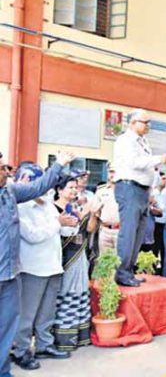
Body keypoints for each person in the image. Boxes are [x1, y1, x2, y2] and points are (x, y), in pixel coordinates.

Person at [0, 151, 74, 377]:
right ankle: (20, 353)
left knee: (7, 325)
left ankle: (3, 370)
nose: (7, 172)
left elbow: (39, 186)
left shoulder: (10, 193)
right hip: (27, 269)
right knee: (22, 318)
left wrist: (59, 164)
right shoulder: (19, 202)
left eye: (7, 168)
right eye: (3, 169)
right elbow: (32, 235)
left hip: (9, 273)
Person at [113, 109, 166, 287]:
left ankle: (129, 270)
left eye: (149, 122)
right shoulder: (125, 141)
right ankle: (122, 272)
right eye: (144, 122)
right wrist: (158, 159)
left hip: (142, 190)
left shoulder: (143, 142)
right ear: (133, 122)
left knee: (139, 234)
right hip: (129, 187)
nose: (148, 126)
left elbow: (147, 168)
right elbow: (134, 163)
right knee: (129, 232)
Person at [52, 177, 100, 352]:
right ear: (59, 190)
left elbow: (89, 230)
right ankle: (62, 337)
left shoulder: (76, 209)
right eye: (70, 187)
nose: (74, 191)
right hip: (64, 259)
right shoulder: (53, 209)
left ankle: (79, 336)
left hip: (80, 257)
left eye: (75, 188)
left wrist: (92, 214)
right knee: (65, 293)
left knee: (80, 291)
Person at [92, 163, 119, 253]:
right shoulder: (101, 190)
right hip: (105, 230)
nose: (113, 174)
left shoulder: (126, 190)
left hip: (121, 231)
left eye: (115, 172)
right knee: (105, 262)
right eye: (111, 171)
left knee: (120, 263)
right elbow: (95, 211)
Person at [152, 172, 166, 274]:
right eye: (162, 178)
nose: (164, 180)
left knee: (165, 250)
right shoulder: (153, 193)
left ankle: (162, 272)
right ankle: (152, 271)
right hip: (155, 225)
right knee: (154, 249)